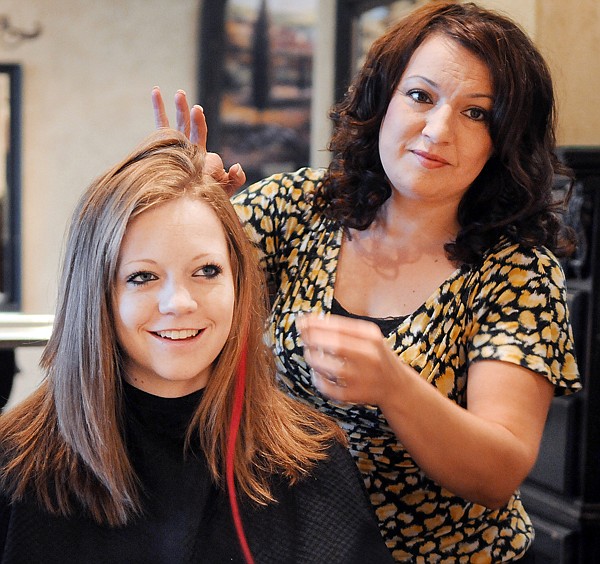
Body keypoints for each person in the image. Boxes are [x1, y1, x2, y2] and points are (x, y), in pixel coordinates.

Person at [154, 1, 584, 561]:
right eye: (420, 96)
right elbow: (176, 297)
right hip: (298, 545)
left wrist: (393, 386)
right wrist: (186, 202)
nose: (438, 130)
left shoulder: (519, 273)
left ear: (504, 140)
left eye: (476, 113)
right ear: (382, 101)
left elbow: (497, 471)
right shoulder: (298, 208)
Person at [0, 130, 395, 563]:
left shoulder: (310, 463)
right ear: (96, 294)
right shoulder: (15, 465)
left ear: (238, 282)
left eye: (206, 271)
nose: (179, 304)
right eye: (142, 277)